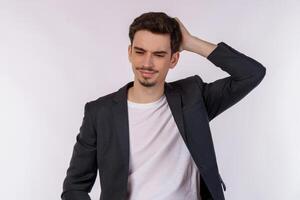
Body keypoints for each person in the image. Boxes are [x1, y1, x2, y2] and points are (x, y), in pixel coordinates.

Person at [61, 12, 266, 200]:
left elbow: (251, 74)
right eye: (140, 52)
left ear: (173, 59)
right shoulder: (100, 113)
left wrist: (191, 43)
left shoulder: (193, 98)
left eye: (159, 55)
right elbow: (75, 187)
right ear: (130, 52)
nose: (147, 63)